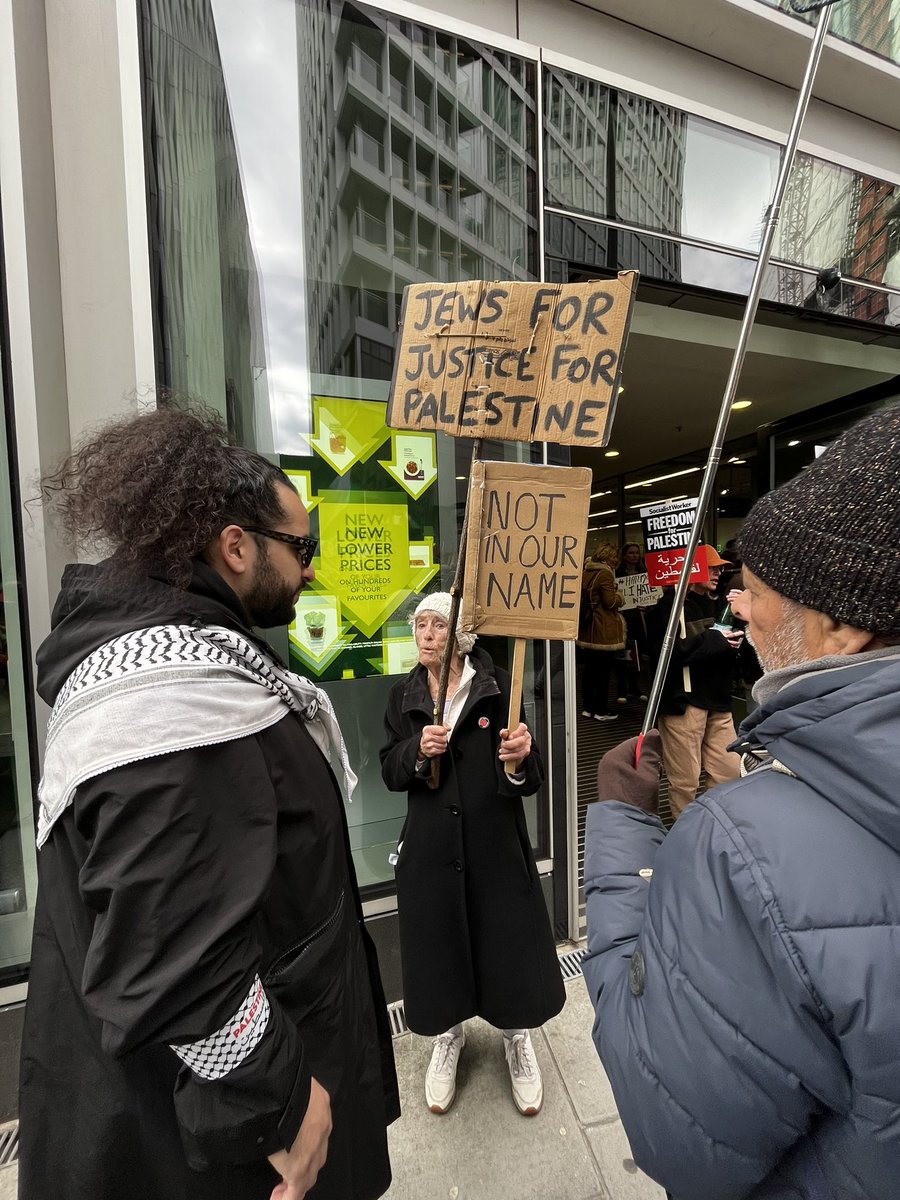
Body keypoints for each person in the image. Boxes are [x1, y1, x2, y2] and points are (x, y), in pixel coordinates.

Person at [19, 406, 399, 1200]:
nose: (313, 572)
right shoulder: (168, 708)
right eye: (302, 550)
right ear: (236, 546)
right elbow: (174, 966)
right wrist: (286, 1103)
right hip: (232, 1148)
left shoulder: (176, 663)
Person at [582, 403, 900, 1199]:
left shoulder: (741, 849)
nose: (743, 608)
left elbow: (667, 1119)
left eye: (758, 591)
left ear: (842, 622)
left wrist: (621, 832)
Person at [380, 593, 565, 1118]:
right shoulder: (404, 696)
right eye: (420, 626)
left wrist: (518, 760)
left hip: (494, 847)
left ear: (460, 635)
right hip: (432, 850)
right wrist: (417, 751)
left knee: (505, 946)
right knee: (442, 954)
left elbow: (527, 776)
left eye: (438, 625)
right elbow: (389, 771)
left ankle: (516, 1035)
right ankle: (448, 1035)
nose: (426, 635)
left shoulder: (498, 685)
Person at [647, 543, 744, 816]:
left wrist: (740, 621)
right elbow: (669, 656)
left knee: (728, 772)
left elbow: (727, 649)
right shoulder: (667, 610)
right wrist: (715, 639)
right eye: (710, 568)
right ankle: (685, 837)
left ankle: (714, 828)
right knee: (685, 781)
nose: (717, 573)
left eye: (718, 568)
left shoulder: (718, 604)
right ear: (692, 568)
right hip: (685, 703)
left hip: (718, 702)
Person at [577, 543, 626, 722]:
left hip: (588, 628)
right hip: (602, 629)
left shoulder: (587, 572)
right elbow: (610, 602)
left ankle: (587, 707)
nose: (616, 561)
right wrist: (620, 595)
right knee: (603, 672)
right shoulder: (605, 573)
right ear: (607, 557)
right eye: (614, 557)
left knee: (590, 671)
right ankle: (601, 710)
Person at [614, 542, 652, 703]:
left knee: (637, 657)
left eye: (637, 552)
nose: (634, 555)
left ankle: (634, 688)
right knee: (623, 656)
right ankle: (622, 689)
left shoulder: (644, 574)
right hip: (623, 620)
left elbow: (652, 596)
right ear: (624, 555)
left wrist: (647, 607)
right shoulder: (617, 574)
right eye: (631, 553)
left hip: (640, 620)